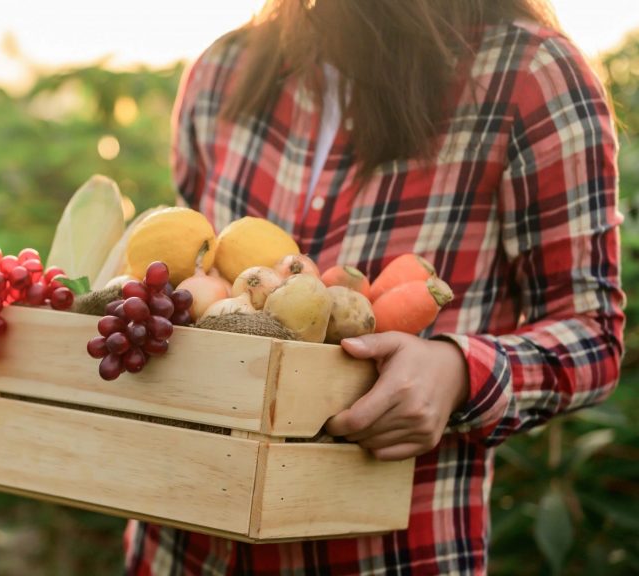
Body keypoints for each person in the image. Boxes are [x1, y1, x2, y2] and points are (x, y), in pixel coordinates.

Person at [123, 0, 624, 574]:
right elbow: (183, 283)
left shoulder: (529, 77)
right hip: (180, 547)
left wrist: (458, 372)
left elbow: (593, 333)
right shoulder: (223, 70)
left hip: (386, 555)